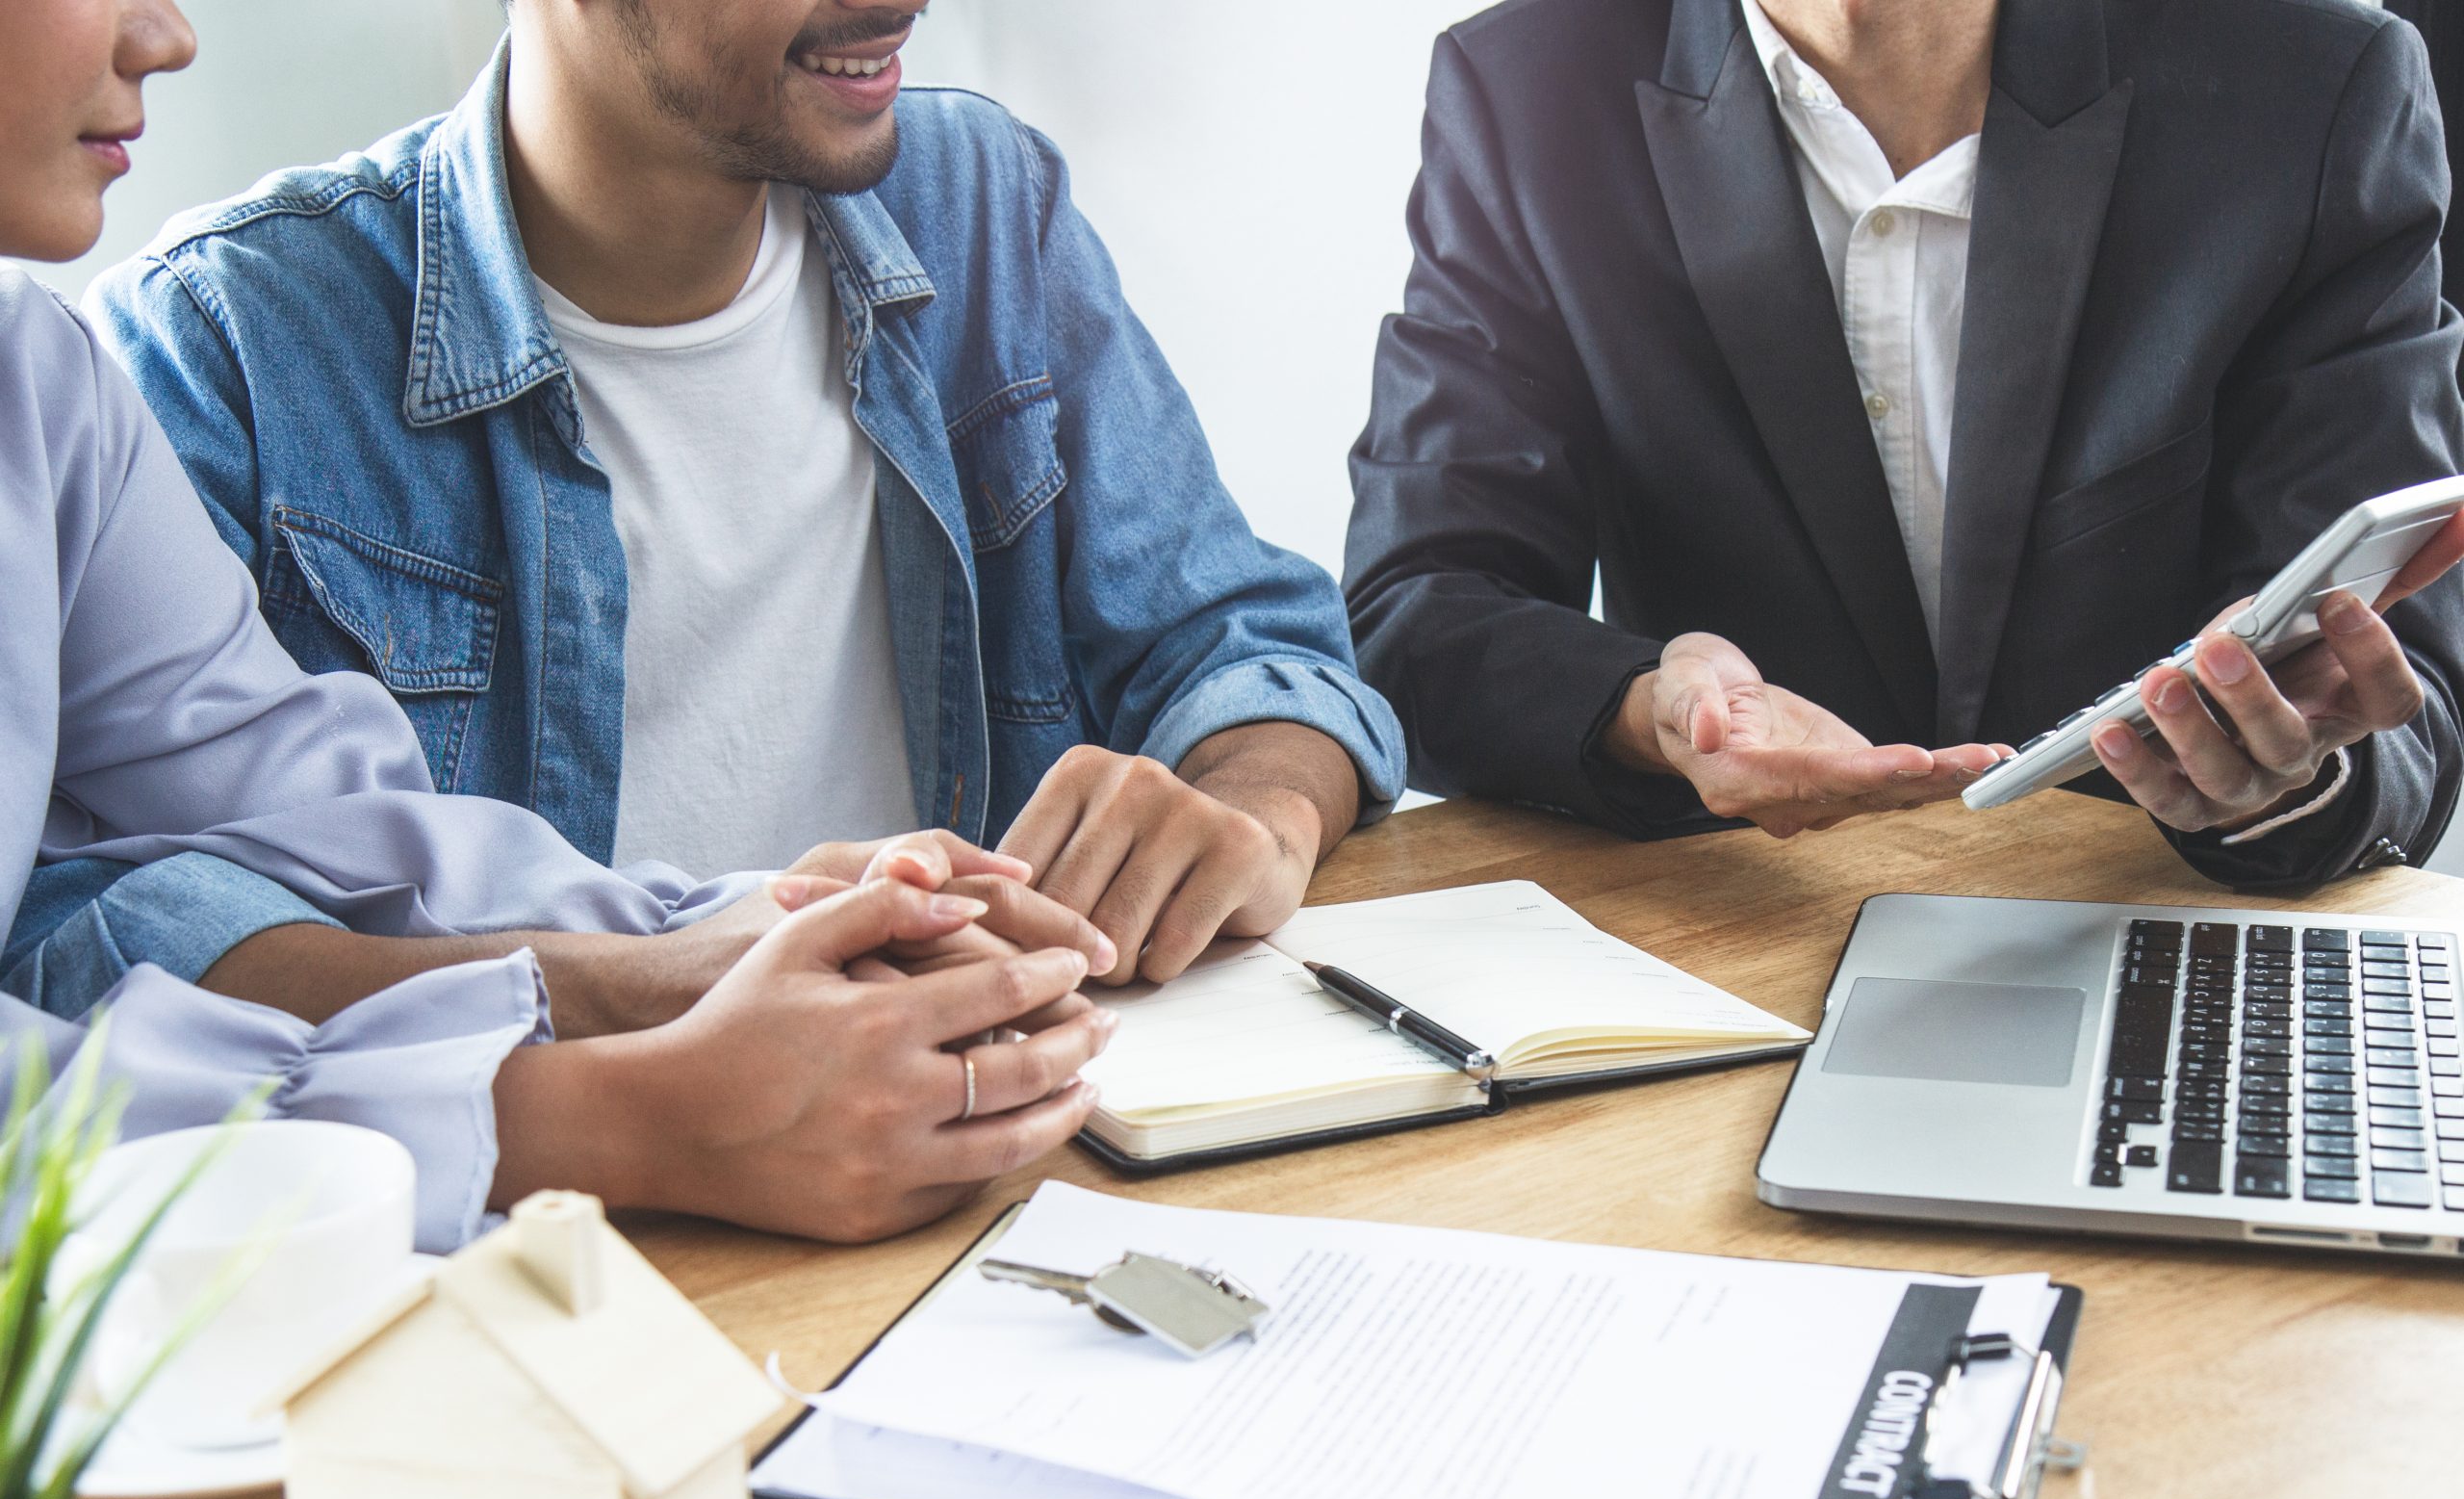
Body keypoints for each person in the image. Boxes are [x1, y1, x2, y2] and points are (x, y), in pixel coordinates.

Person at [1, 0, 1116, 1250]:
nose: (168, 36)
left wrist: (727, 932)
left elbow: (301, 814)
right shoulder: (204, 331)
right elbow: (78, 949)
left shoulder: (36, 382)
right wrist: (614, 1115)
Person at [59, 0, 1405, 1024]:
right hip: (544, 1227)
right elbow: (113, 941)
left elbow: (1245, 645)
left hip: (995, 1151)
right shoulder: (218, 343)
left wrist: (1258, 813)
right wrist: (662, 991)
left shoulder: (980, 203)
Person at [1346, 0, 2464, 887]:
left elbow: (2402, 690)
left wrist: (2280, 776)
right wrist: (1657, 709)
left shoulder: (2313, 84)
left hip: (2157, 930)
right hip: (1740, 938)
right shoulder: (1525, 88)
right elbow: (1418, 610)